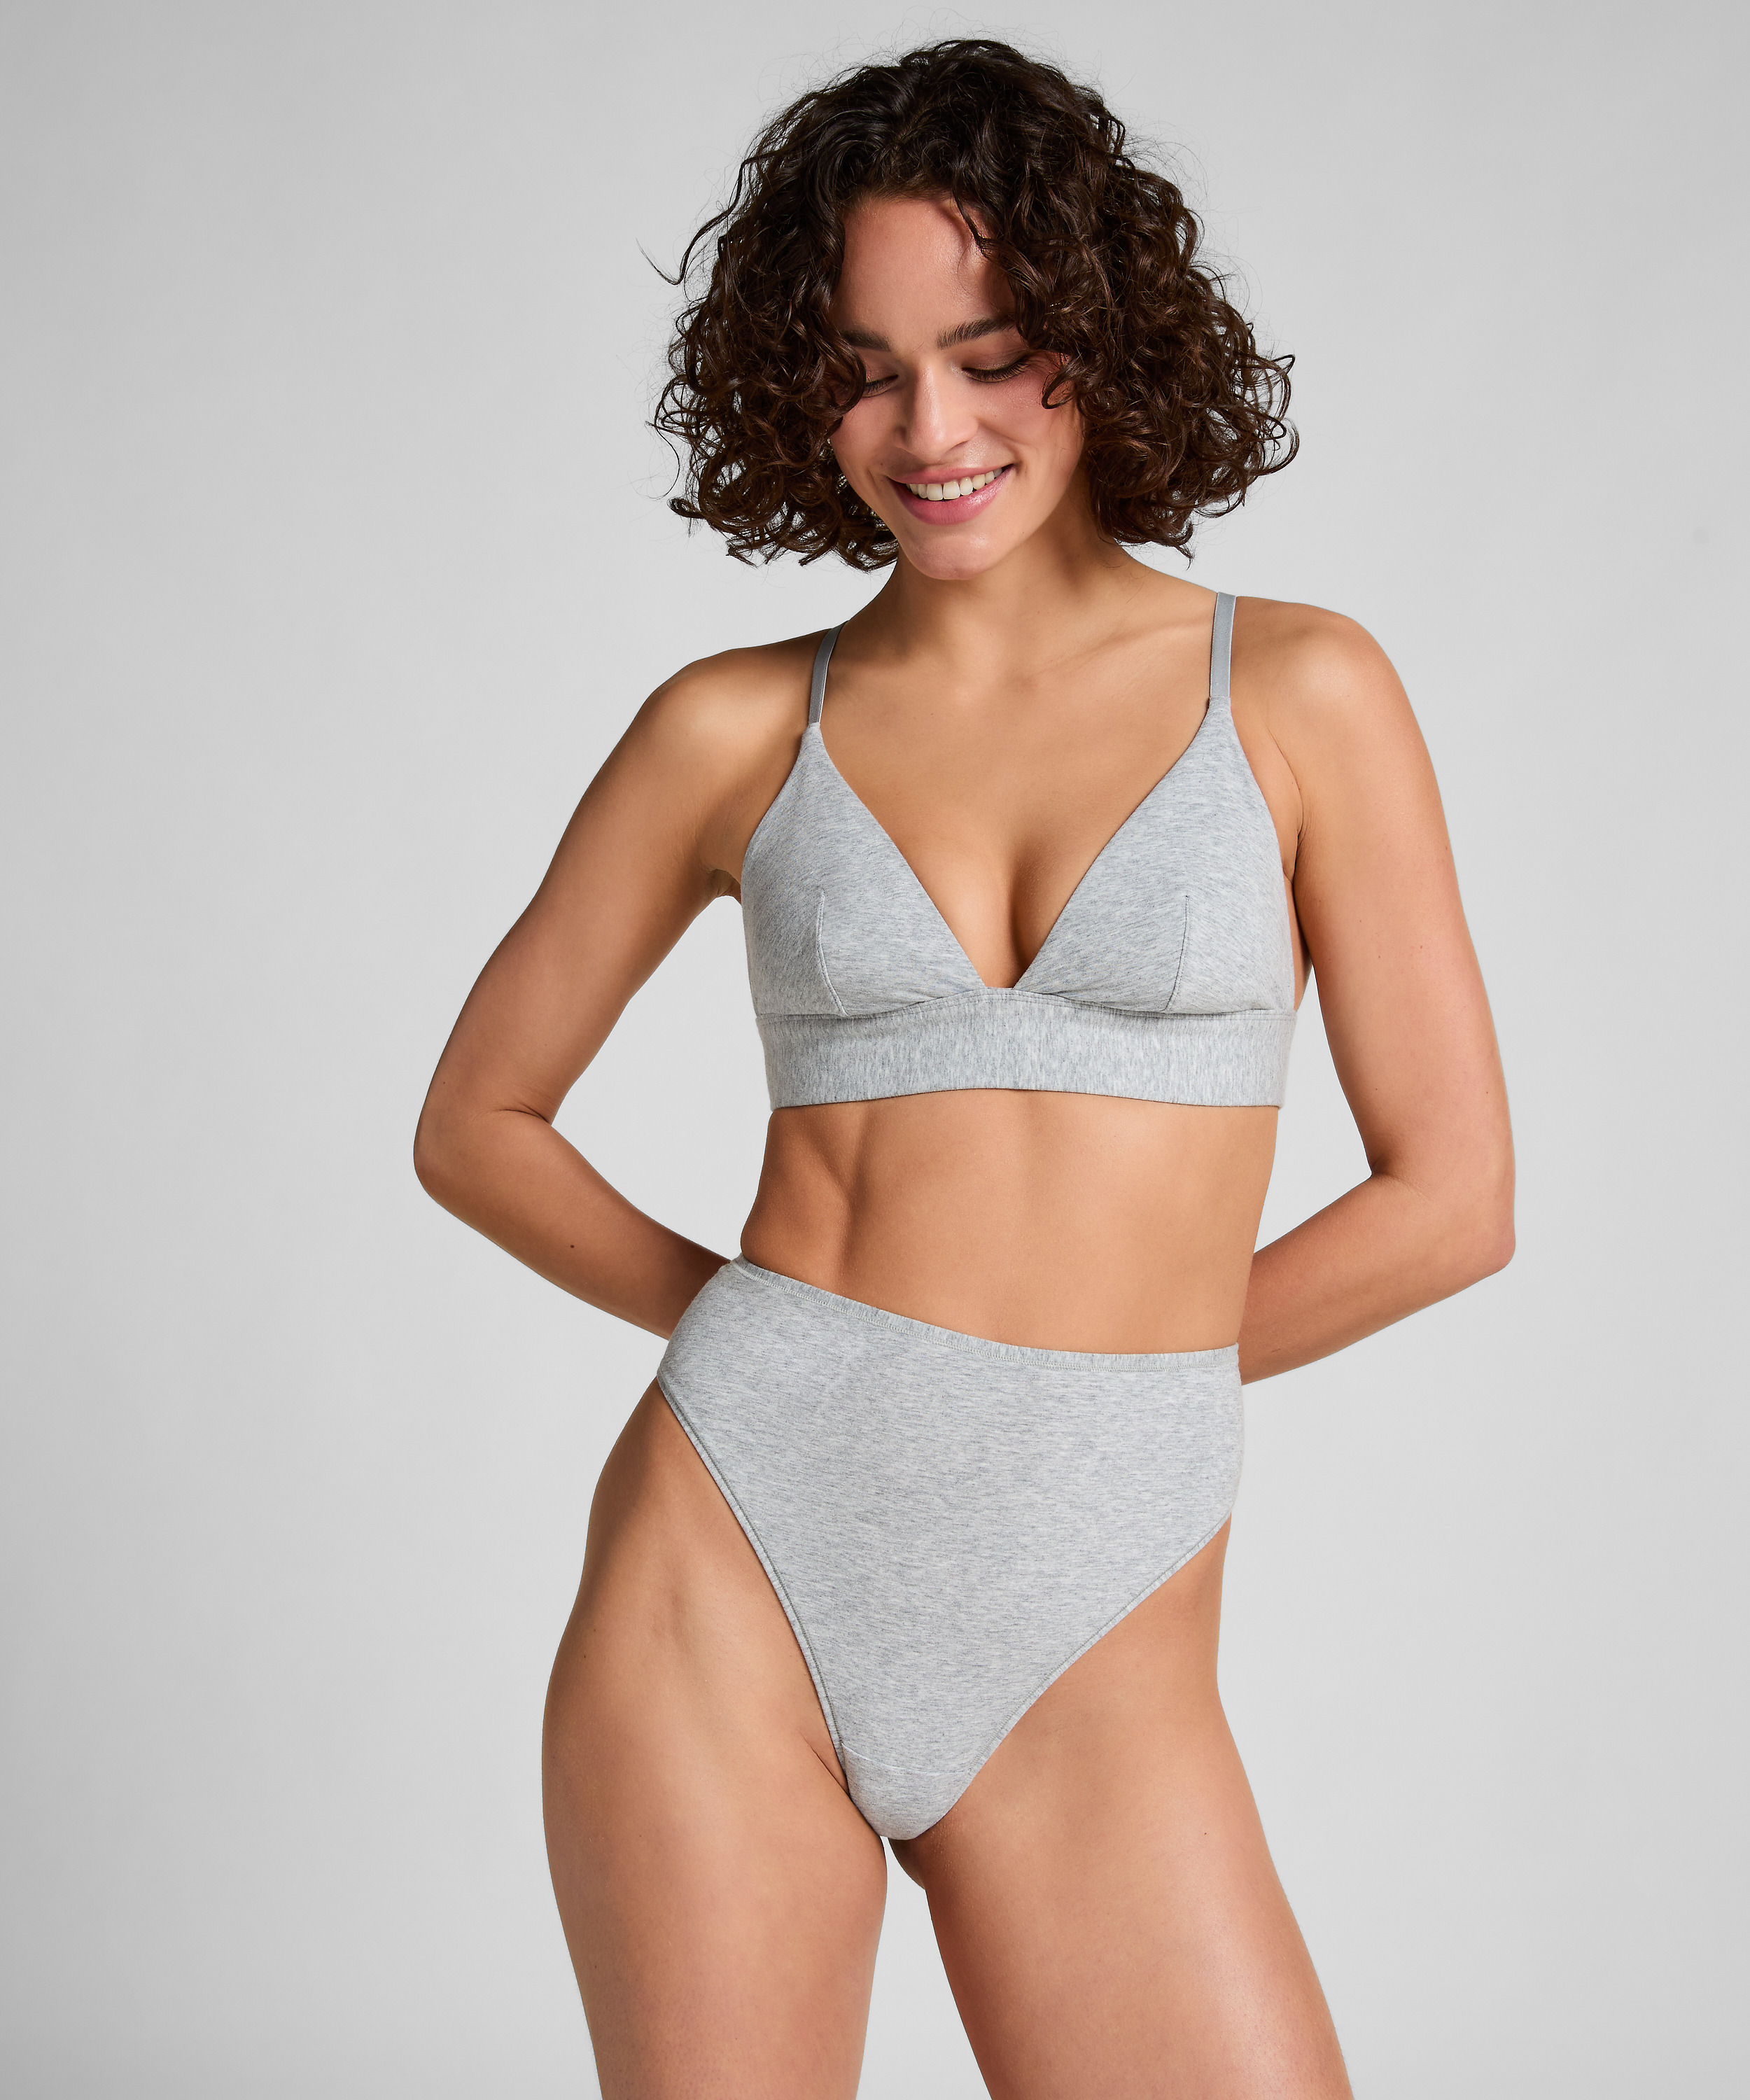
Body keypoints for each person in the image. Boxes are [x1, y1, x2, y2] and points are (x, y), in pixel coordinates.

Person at [414, 38, 1513, 2100]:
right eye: (862, 372)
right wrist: (788, 1342)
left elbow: (1452, 1203)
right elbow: (474, 1123)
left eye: (991, 356)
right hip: (732, 1559)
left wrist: (1089, 1380)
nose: (929, 431)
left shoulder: (1297, 691)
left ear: (1101, 336)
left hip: (1096, 1612)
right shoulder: (732, 728)